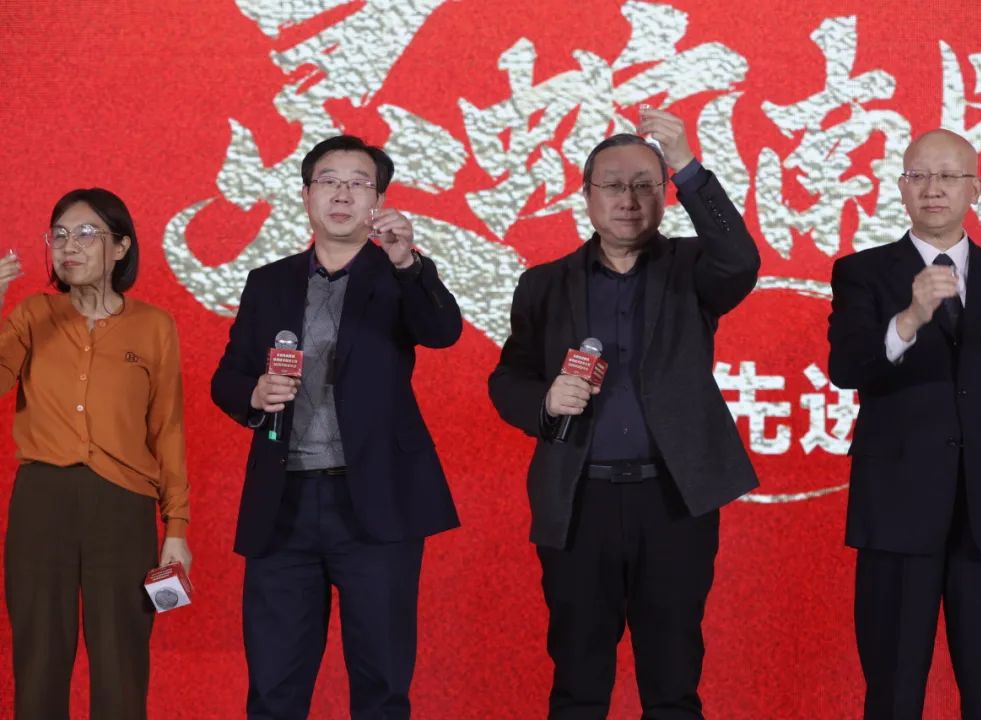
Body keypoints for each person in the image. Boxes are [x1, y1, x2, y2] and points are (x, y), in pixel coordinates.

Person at [488, 108, 760, 719]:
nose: (629, 200)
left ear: (665, 194)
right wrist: (543, 401)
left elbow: (741, 260)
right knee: (579, 684)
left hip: (673, 502)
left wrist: (687, 164)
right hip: (578, 500)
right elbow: (508, 378)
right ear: (586, 195)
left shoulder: (693, 270)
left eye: (645, 185)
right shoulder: (544, 284)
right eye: (613, 185)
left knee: (673, 682)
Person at [211, 134, 462, 719]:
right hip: (283, 505)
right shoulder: (268, 282)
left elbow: (442, 331)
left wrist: (408, 263)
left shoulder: (398, 274)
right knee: (273, 689)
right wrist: (253, 393)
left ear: (379, 200)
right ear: (306, 195)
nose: (342, 194)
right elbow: (227, 377)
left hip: (376, 502)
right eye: (329, 180)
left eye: (358, 183)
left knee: (381, 686)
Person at [827, 129, 981, 719]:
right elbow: (846, 368)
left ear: (975, 189)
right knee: (894, 692)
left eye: (949, 176)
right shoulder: (862, 273)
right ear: (901, 188)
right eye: (919, 176)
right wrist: (909, 318)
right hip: (898, 513)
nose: (933, 189)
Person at [0, 188, 192, 720]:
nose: (70, 246)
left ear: (121, 247)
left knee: (121, 664)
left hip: (123, 508)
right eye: (59, 234)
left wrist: (176, 528)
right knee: (38, 661)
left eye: (87, 233)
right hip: (42, 503)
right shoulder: (32, 314)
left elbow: (167, 430)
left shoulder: (154, 326)